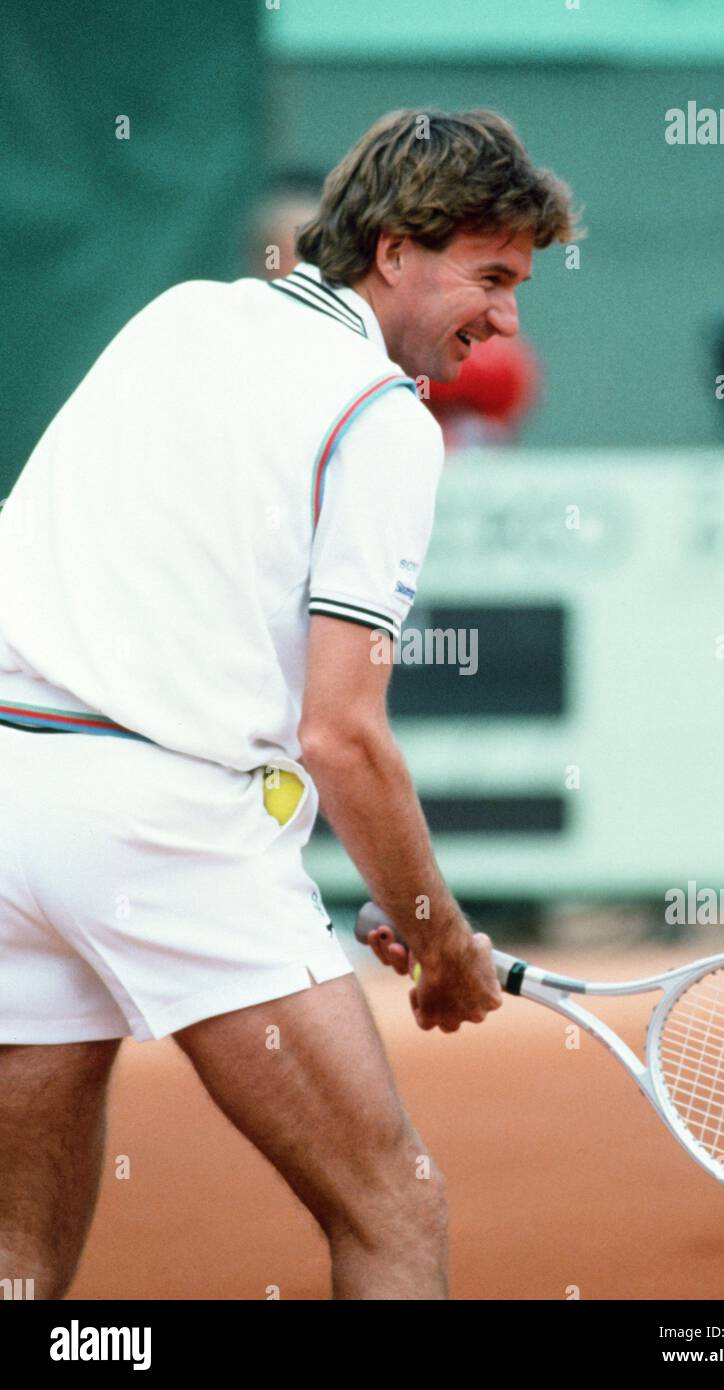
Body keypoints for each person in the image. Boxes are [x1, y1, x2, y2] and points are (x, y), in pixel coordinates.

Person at [0, 108, 575, 1301]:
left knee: (14, 1253)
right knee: (391, 1206)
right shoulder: (380, 417)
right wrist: (436, 938)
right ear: (396, 251)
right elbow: (342, 735)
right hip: (161, 830)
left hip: (12, 813)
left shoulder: (176, 317)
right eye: (493, 276)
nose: (507, 319)